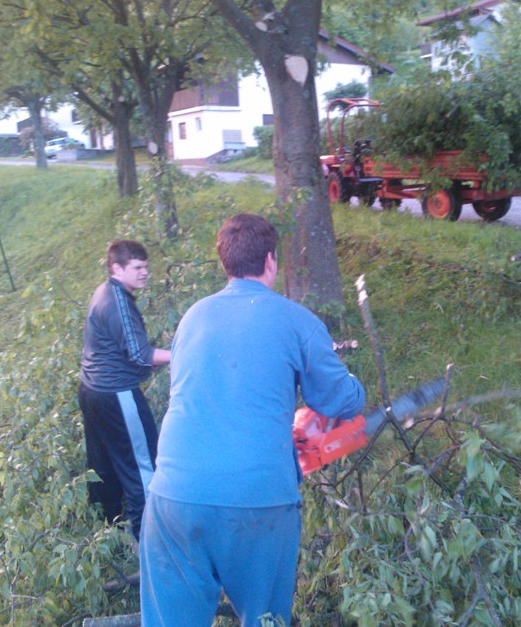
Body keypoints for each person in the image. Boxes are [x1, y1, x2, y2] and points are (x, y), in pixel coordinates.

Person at [140, 213, 365, 626]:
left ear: (225, 263)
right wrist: (353, 383)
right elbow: (340, 400)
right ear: (271, 260)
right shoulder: (297, 320)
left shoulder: (193, 316)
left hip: (173, 494)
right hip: (257, 499)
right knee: (263, 619)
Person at [78, 239, 170, 542]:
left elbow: (121, 350)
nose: (145, 273)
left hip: (92, 391)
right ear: (117, 269)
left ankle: (107, 537)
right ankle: (150, 542)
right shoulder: (117, 302)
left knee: (103, 466)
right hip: (117, 395)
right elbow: (140, 355)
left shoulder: (105, 291)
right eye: (138, 267)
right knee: (143, 468)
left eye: (146, 267)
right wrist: (182, 353)